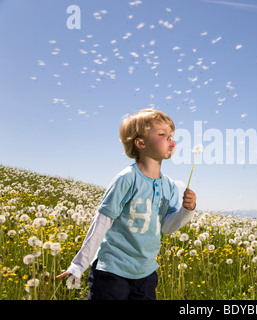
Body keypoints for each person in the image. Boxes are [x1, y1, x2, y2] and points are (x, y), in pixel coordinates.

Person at [56, 109, 197, 300]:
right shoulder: (126, 179)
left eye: (171, 135)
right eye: (162, 135)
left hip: (146, 273)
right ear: (140, 143)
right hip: (112, 270)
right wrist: (79, 265)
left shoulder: (169, 186)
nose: (171, 140)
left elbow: (166, 227)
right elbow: (102, 222)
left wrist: (186, 211)